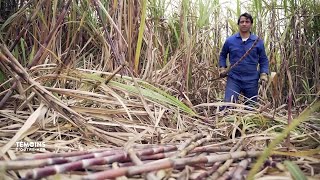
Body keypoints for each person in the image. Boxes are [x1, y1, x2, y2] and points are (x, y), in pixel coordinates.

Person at [219, 12, 269, 108]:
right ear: (238, 24)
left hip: (252, 80)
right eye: (242, 22)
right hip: (234, 79)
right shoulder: (230, 41)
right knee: (227, 106)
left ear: (251, 24)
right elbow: (223, 55)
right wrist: (222, 68)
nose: (244, 24)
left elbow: (263, 60)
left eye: (247, 21)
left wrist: (263, 73)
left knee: (251, 109)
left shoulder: (258, 41)